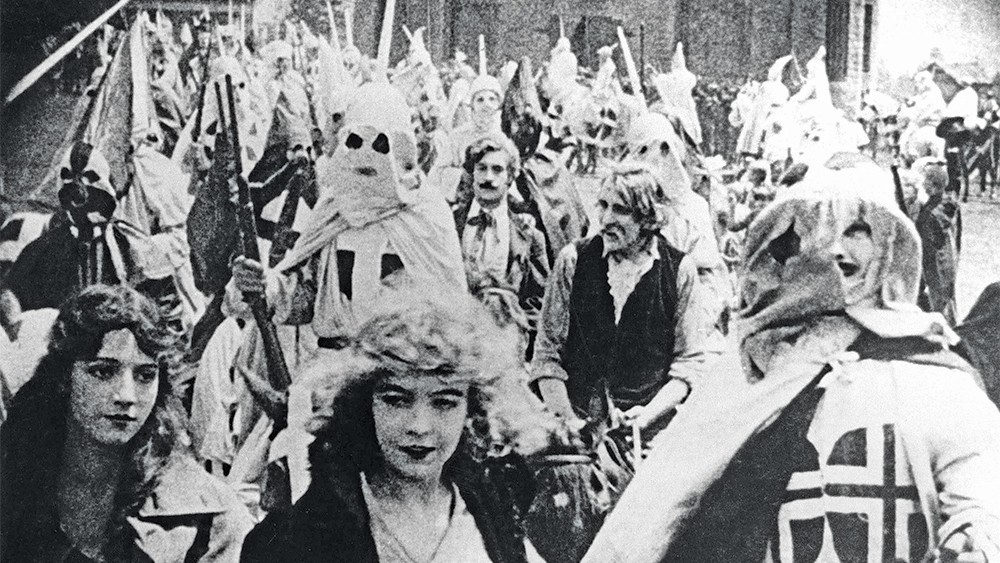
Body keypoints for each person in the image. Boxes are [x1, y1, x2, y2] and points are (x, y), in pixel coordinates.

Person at [582, 161, 1000, 563]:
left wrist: (976, 532)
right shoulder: (749, 372)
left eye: (857, 231)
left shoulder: (932, 376)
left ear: (888, 245)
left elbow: (978, 480)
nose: (836, 248)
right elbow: (657, 513)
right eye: (817, 229)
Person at [241, 289, 553, 562]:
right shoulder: (306, 535)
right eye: (396, 400)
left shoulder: (494, 515)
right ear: (365, 404)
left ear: (472, 411)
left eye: (444, 402)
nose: (419, 426)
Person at [1, 284, 252, 562]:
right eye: (102, 372)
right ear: (63, 379)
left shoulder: (210, 517)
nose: (126, 396)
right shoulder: (14, 484)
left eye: (145, 376)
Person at [532, 161, 718, 442]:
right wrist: (570, 422)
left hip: (646, 429)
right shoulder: (573, 259)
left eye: (620, 210)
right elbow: (547, 355)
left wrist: (646, 417)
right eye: (603, 205)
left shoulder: (679, 270)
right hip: (572, 422)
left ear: (649, 218)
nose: (606, 219)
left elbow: (688, 363)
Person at [454, 133, 549, 352]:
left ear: (510, 177)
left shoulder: (529, 236)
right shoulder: (450, 223)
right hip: (454, 341)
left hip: (504, 347)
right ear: (472, 173)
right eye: (481, 168)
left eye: (497, 169)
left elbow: (539, 302)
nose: (488, 177)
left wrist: (517, 341)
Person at [915, 162, 961, 324]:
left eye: (925, 180)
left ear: (931, 184)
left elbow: (927, 243)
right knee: (948, 299)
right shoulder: (949, 202)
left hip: (935, 264)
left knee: (939, 303)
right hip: (949, 258)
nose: (922, 184)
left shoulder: (930, 213)